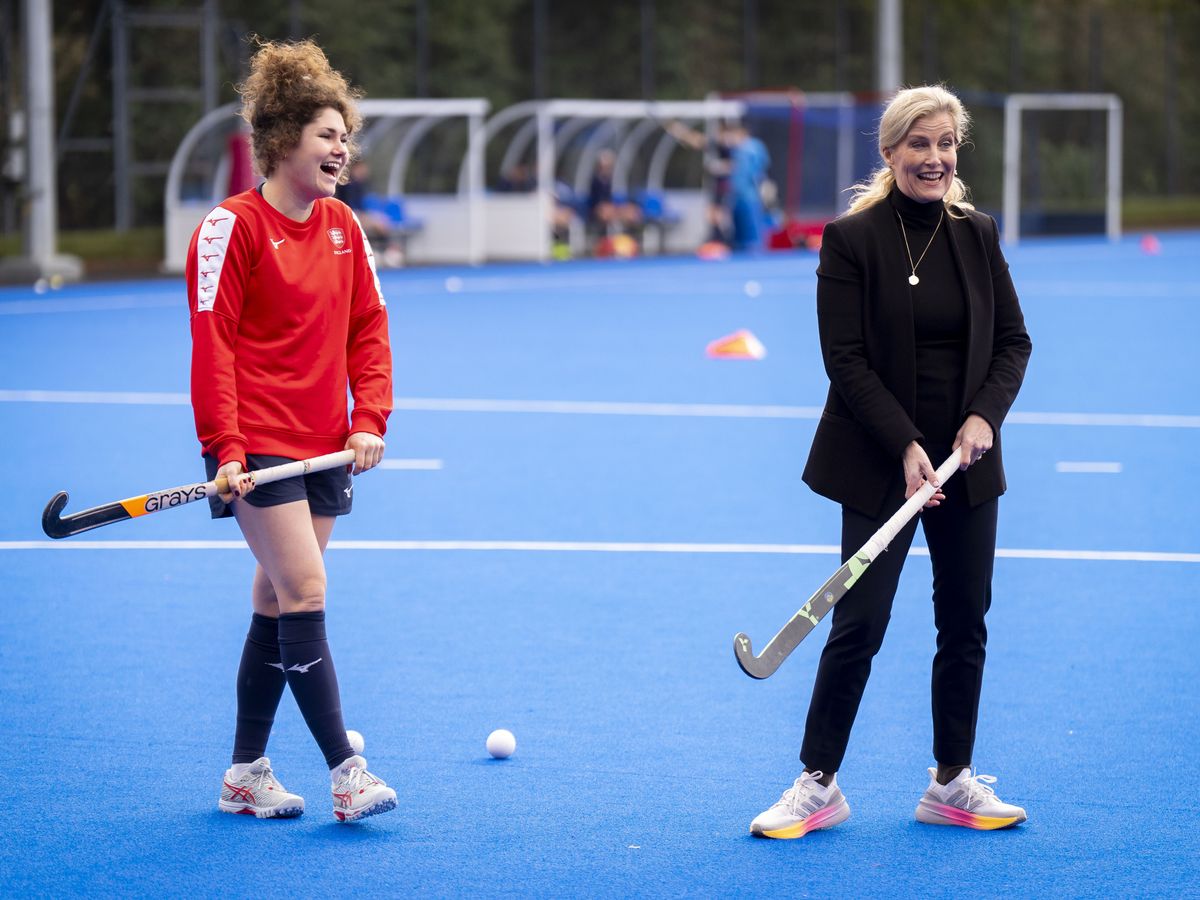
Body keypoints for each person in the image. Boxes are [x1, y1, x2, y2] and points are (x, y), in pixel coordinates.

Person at [749, 85, 1033, 839]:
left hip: (966, 463)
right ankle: (817, 782)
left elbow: (1014, 343)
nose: (934, 159)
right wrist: (906, 446)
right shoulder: (853, 240)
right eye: (919, 145)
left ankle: (951, 780)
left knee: (964, 621)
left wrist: (981, 420)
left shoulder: (977, 233)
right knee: (860, 624)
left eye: (945, 145)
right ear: (891, 151)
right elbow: (844, 359)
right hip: (883, 460)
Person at [186, 38, 397, 823]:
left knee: (278, 599)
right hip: (258, 444)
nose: (342, 149)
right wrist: (229, 449)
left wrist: (369, 417)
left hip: (324, 443)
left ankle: (244, 774)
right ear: (281, 144)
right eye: (326, 136)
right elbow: (213, 343)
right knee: (306, 587)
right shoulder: (229, 228)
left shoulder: (344, 227)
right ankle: (347, 771)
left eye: (345, 136)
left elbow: (369, 329)